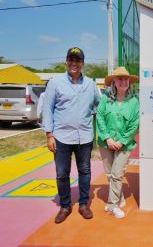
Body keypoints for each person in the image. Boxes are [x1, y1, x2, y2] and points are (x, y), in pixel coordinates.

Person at [42, 47, 101, 224]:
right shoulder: (55, 83)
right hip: (61, 137)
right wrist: (49, 135)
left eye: (78, 60)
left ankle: (84, 204)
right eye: (71, 59)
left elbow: (100, 104)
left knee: (85, 171)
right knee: (62, 174)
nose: (74, 63)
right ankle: (65, 206)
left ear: (83, 63)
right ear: (66, 62)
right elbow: (47, 109)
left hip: (84, 136)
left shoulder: (91, 84)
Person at [96, 67, 139, 219]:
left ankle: (112, 205)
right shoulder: (106, 98)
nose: (123, 81)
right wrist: (107, 138)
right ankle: (118, 197)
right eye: (119, 79)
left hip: (125, 144)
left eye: (126, 79)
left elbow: (135, 124)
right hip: (105, 142)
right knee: (109, 174)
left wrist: (121, 141)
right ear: (114, 82)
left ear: (129, 82)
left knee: (117, 173)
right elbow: (100, 117)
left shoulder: (134, 101)